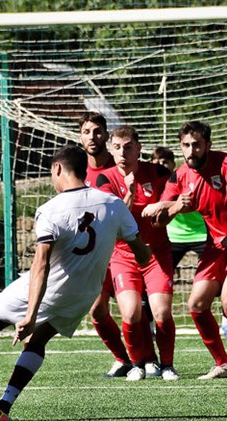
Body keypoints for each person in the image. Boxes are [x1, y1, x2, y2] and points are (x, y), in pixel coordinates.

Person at [0, 145, 151, 421]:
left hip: (50, 287)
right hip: (84, 295)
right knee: (39, 339)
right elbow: (142, 254)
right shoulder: (114, 204)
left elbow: (41, 265)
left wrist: (30, 314)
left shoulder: (51, 209)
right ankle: (4, 405)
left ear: (57, 169)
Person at [144, 121, 227, 379]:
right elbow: (159, 219)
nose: (191, 151)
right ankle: (223, 363)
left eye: (197, 145)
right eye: (186, 146)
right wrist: (176, 207)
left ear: (208, 145)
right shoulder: (179, 176)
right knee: (197, 305)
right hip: (217, 243)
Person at [96, 126, 178, 381]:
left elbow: (178, 199)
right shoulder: (105, 180)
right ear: (111, 149)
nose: (123, 153)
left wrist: (164, 206)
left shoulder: (158, 172)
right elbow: (114, 219)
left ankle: (167, 365)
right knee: (131, 312)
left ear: (139, 148)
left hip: (156, 255)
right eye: (117, 147)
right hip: (123, 255)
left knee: (162, 313)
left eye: (128, 147)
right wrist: (130, 192)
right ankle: (137, 363)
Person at [79, 112, 133, 378]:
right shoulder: (76, 169)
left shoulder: (121, 165)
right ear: (80, 135)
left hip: (126, 249)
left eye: (98, 131)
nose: (93, 137)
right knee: (97, 312)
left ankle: (148, 360)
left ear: (107, 135)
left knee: (133, 310)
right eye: (87, 131)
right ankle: (123, 359)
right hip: (96, 253)